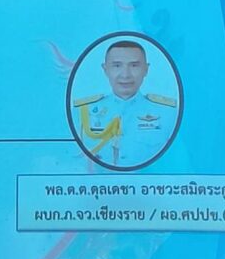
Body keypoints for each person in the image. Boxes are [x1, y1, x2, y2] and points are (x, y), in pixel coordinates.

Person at [73, 39, 177, 168]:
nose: (125, 75)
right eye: (117, 66)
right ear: (105, 69)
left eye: (134, 66)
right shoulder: (82, 112)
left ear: (146, 69)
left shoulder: (168, 114)